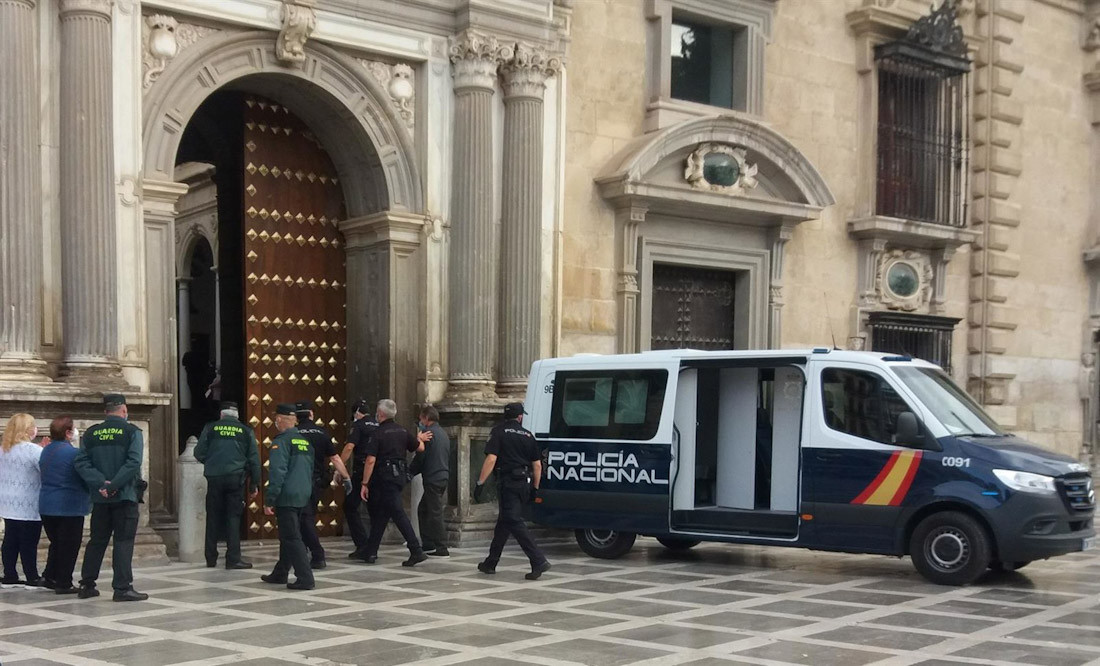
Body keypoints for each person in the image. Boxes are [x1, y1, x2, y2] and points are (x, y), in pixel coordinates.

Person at [74, 395, 148, 601]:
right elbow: (134, 462)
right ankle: (122, 587)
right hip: (125, 496)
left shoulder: (91, 433)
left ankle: (87, 584)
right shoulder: (132, 431)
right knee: (123, 541)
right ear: (124, 410)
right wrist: (114, 485)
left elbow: (81, 463)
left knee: (97, 540)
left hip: (101, 498)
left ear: (106, 411)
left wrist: (101, 484)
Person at [474, 402, 550, 580]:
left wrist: (480, 483)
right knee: (504, 522)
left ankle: (538, 560)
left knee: (513, 521)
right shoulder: (528, 435)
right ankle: (491, 562)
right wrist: (535, 489)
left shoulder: (498, 432)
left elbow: (492, 459)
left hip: (508, 483)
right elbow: (537, 465)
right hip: (524, 483)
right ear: (520, 417)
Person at [359, 399, 428, 567]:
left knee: (397, 513)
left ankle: (416, 550)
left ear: (380, 414)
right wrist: (418, 438)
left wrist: (364, 483)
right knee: (382, 514)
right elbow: (420, 448)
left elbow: (370, 460)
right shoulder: (403, 430)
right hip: (398, 476)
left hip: (383, 478)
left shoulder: (378, 433)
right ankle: (371, 551)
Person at [194, 401, 261, 570]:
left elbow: (198, 452)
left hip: (214, 478)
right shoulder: (246, 431)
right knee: (233, 517)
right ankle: (233, 559)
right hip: (235, 479)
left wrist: (211, 463)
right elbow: (254, 459)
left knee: (213, 517)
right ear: (237, 416)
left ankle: (210, 557)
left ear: (221, 415)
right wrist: (254, 483)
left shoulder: (210, 428)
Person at [261, 404, 315, 590]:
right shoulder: (305, 442)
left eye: (276, 419)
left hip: (287, 495)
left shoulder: (281, 441)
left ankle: (305, 578)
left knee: (292, 537)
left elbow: (277, 471)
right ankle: (281, 572)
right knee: (287, 536)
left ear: (280, 419)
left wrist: (270, 499)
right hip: (302, 494)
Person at [294, 402, 350, 569]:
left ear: (296, 417)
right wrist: (346, 477)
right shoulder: (321, 433)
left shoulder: (293, 433)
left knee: (304, 518)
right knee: (305, 517)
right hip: (316, 482)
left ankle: (317, 554)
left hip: (298, 482)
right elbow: (335, 458)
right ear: (311, 414)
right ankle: (303, 550)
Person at [39, 416, 89, 594]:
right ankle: (64, 582)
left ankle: (50, 575)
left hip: (46, 504)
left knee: (57, 543)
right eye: (73, 428)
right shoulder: (73, 453)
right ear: (68, 433)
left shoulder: (46, 450)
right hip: (69, 505)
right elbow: (84, 476)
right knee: (69, 545)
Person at [0, 413, 44, 589]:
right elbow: (44, 469)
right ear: (28, 430)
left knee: (10, 538)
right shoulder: (34, 450)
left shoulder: (3, 449)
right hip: (28, 500)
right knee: (29, 540)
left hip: (7, 499)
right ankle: (31, 575)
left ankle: (9, 574)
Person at [411, 405, 450, 557]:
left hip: (433, 477)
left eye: (421, 418)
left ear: (426, 419)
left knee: (434, 512)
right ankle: (428, 544)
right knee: (424, 509)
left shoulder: (428, 434)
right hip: (442, 475)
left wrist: (409, 472)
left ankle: (441, 546)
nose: (420, 422)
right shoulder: (443, 433)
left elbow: (422, 456)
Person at [342, 400, 377, 560]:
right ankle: (372, 547)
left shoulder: (359, 425)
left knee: (350, 506)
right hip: (378, 471)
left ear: (356, 412)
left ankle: (363, 545)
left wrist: (340, 467)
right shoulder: (378, 424)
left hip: (362, 471)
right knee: (375, 510)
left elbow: (349, 447)